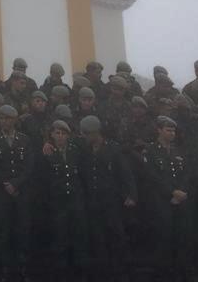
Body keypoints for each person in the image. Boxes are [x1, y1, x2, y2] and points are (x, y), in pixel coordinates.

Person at [79, 114, 136, 279]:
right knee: (98, 239)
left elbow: (126, 173)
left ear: (95, 133)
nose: (84, 137)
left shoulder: (113, 149)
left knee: (117, 237)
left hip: (112, 202)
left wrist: (131, 195)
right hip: (93, 202)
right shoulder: (84, 149)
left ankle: (121, 272)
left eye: (86, 134)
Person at [142, 115, 193, 279]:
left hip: (180, 200)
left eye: (173, 131)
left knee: (182, 237)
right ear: (159, 130)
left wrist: (182, 191)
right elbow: (153, 176)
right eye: (168, 130)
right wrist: (172, 192)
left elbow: (186, 173)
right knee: (163, 239)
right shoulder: (150, 150)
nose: (172, 133)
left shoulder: (179, 150)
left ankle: (180, 272)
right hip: (161, 201)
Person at [0, 105, 33, 281]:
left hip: (21, 191)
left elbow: (29, 166)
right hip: (1, 191)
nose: (6, 121)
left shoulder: (25, 140)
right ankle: (4, 266)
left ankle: (23, 265)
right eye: (3, 118)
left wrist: (16, 183)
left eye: (9, 118)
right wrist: (6, 183)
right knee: (3, 230)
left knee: (23, 229)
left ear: (15, 120)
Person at [42, 119, 88, 276]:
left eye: (63, 133)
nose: (60, 136)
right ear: (52, 135)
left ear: (68, 135)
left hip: (75, 201)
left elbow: (83, 175)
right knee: (59, 237)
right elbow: (43, 179)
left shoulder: (76, 151)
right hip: (58, 202)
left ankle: (79, 271)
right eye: (57, 133)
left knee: (78, 236)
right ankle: (61, 272)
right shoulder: (47, 153)